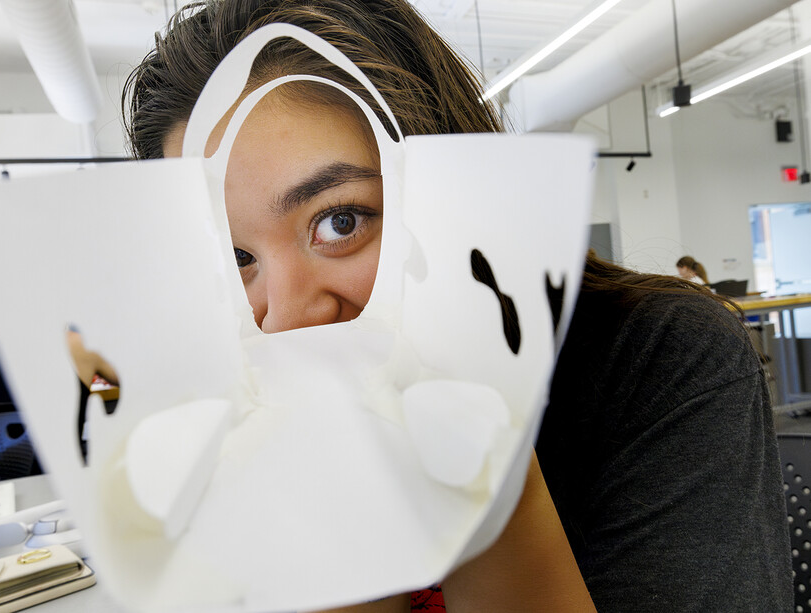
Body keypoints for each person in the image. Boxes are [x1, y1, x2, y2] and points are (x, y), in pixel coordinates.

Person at [122, 1, 791, 611]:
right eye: (236, 260)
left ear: (465, 189)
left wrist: (489, 490)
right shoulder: (237, 419)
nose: (285, 316)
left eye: (342, 221)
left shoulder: (657, 354)